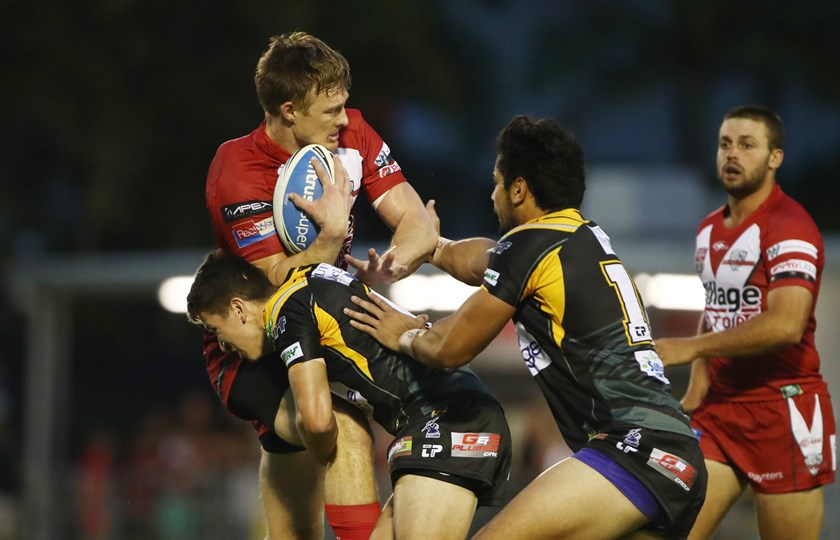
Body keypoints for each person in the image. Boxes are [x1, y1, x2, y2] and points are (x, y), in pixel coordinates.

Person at [345, 115, 708, 539]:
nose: (494, 193)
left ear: (519, 188)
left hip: (634, 450)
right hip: (671, 456)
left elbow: (450, 348)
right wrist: (433, 248)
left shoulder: (531, 245)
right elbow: (484, 258)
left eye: (498, 182)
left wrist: (403, 334)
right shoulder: (576, 237)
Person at [202, 32, 437, 538]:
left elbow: (415, 220)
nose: (344, 119)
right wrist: (331, 236)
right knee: (341, 428)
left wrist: (395, 264)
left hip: (320, 322)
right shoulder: (237, 169)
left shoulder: (348, 133)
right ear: (289, 110)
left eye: (344, 106)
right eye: (330, 110)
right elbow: (276, 282)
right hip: (255, 344)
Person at [186, 251, 512, 540]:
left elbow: (316, 422)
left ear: (239, 308)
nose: (223, 345)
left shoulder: (287, 315)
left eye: (216, 330)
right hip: (449, 417)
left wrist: (321, 452)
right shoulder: (311, 276)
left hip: (447, 422)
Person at [655, 105, 836, 539]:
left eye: (747, 145)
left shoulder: (790, 227)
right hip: (719, 413)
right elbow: (714, 307)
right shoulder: (707, 229)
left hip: (782, 411)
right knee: (666, 530)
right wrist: (699, 379)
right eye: (725, 144)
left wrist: (691, 349)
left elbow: (786, 326)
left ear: (775, 158)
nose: (732, 155)